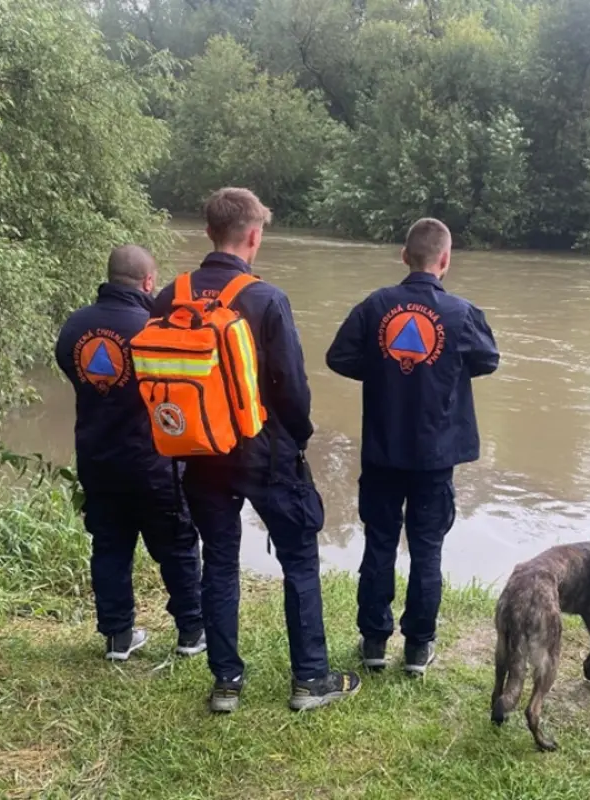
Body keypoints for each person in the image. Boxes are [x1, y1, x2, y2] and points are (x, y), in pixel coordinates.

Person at [151, 187, 360, 713]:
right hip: (265, 453)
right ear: (254, 235)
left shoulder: (169, 296)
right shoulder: (266, 299)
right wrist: (299, 439)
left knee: (218, 563)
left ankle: (226, 683)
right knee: (299, 561)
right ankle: (310, 679)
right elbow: (291, 386)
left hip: (197, 452)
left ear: (207, 232)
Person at [326, 218, 500, 676]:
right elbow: (488, 360)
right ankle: (418, 649)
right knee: (427, 549)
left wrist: (386, 368)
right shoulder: (462, 314)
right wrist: (441, 369)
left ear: (404, 256)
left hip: (383, 450)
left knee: (379, 543)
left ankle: (374, 642)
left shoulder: (375, 305)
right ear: (445, 260)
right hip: (435, 457)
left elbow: (338, 357)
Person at [55, 245, 205, 662]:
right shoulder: (155, 328)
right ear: (149, 282)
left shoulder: (75, 325)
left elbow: (74, 371)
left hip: (98, 458)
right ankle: (192, 632)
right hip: (153, 462)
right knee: (176, 545)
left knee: (110, 546)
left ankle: (118, 637)